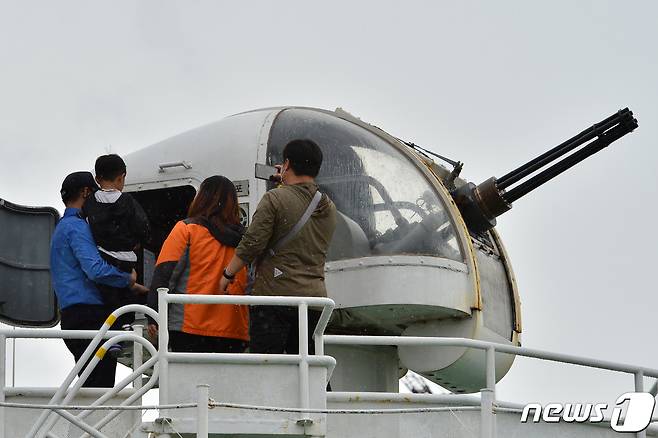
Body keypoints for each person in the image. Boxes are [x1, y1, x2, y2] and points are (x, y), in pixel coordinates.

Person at [220, 139, 336, 355]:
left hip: (275, 296)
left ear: (287, 163)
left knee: (268, 366)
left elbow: (252, 243)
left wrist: (227, 274)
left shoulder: (274, 198)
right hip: (314, 300)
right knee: (308, 364)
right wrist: (284, 182)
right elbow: (300, 207)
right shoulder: (328, 206)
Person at [50, 171, 143, 387]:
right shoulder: (77, 227)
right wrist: (126, 278)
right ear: (86, 192)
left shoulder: (61, 228)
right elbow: (95, 270)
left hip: (73, 315)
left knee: (94, 384)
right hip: (88, 315)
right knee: (99, 387)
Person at [147, 175, 249, 353]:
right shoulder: (246, 240)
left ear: (201, 198)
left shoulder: (186, 229)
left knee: (189, 381)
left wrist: (154, 315)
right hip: (234, 329)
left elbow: (165, 274)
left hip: (189, 327)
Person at [82, 154, 150, 333]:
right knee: (125, 292)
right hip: (126, 257)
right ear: (122, 177)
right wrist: (136, 241)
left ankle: (112, 329)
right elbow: (143, 226)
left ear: (97, 178)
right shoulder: (127, 201)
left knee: (108, 294)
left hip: (102, 254)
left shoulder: (90, 202)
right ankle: (126, 324)